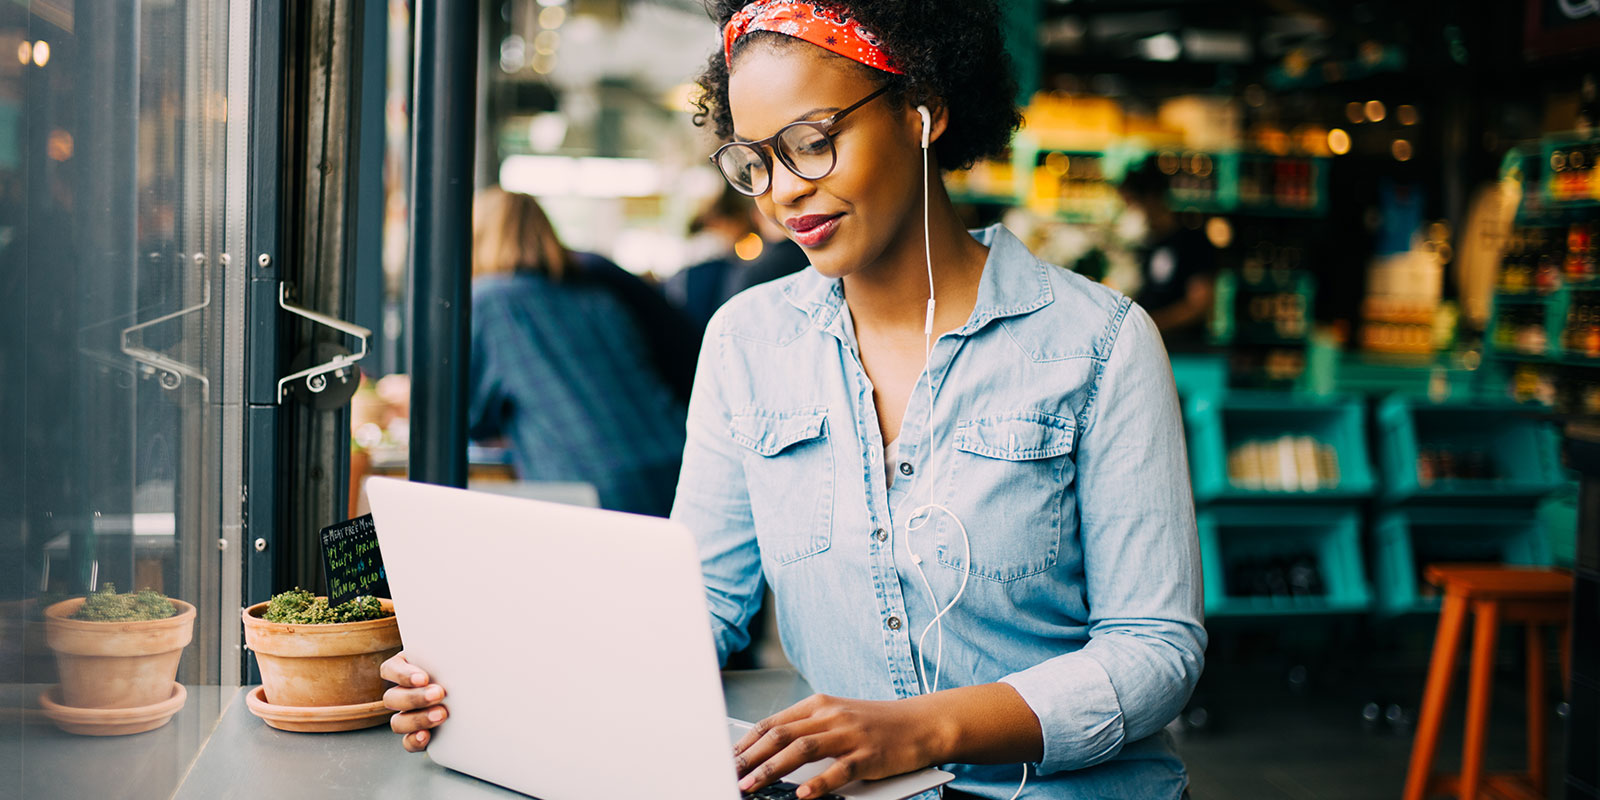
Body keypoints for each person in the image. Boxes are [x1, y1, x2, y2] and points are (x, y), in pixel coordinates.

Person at [383, 4, 1205, 799]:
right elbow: (698, 603)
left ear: (923, 110)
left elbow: (1156, 651)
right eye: (755, 161)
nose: (782, 192)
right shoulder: (748, 342)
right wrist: (493, 683)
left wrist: (923, 729)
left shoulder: (1098, 344)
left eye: (812, 143)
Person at [466, 186, 692, 517]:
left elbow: (471, 419)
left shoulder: (490, 301)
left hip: (592, 489)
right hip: (674, 466)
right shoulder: (597, 297)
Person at [1117, 158, 1218, 349]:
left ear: (1151, 199)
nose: (1127, 213)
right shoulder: (1144, 245)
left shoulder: (1192, 242)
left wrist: (1149, 324)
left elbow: (1199, 305)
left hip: (1182, 351)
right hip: (1146, 345)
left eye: (1131, 204)